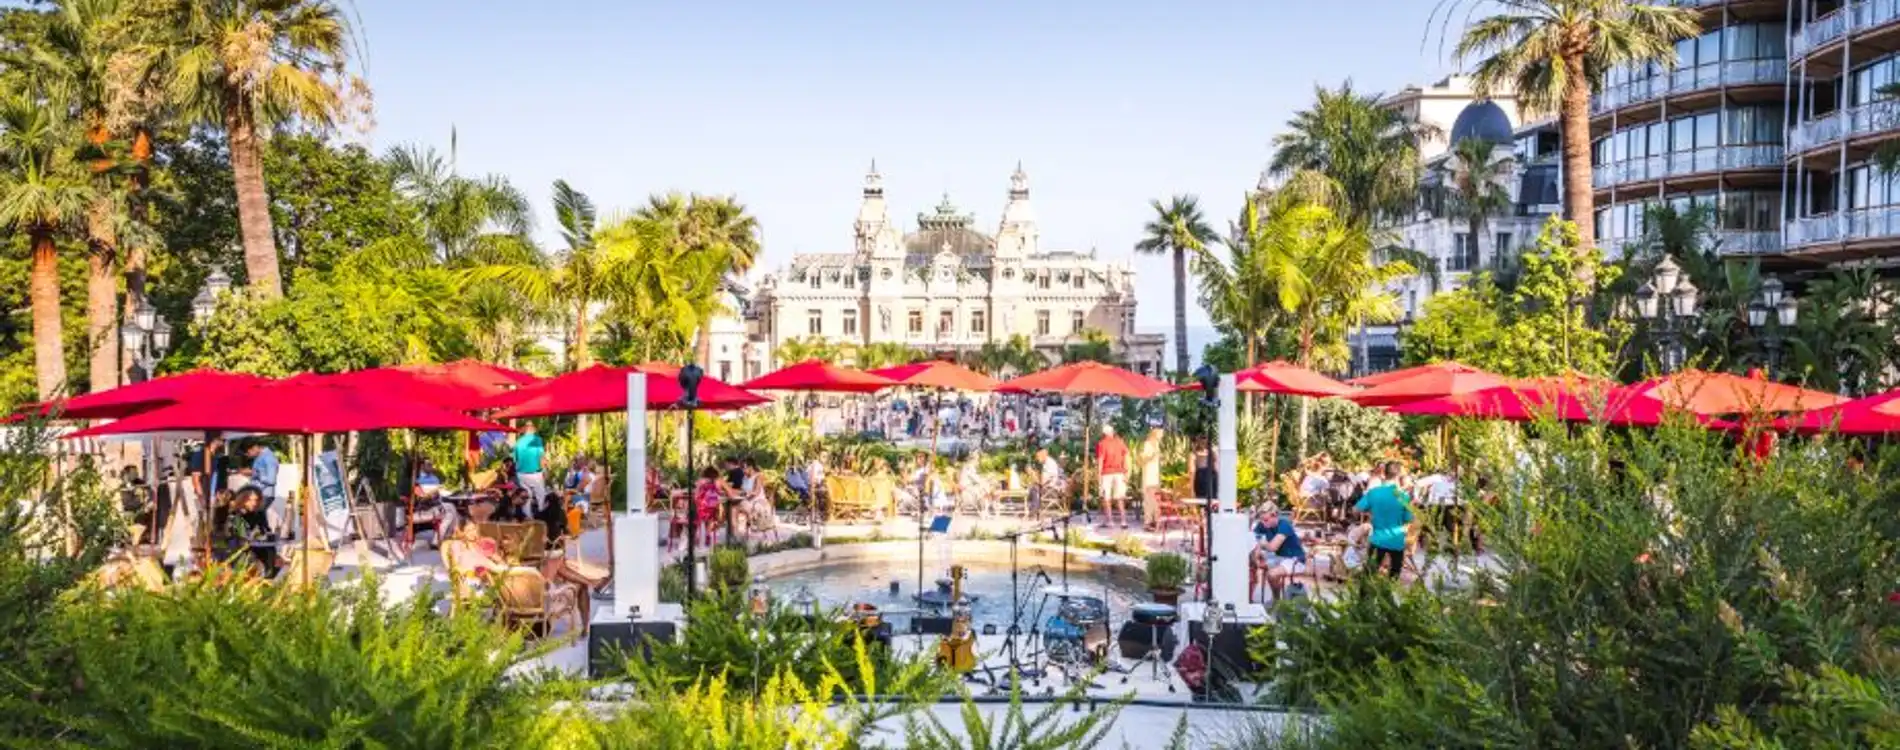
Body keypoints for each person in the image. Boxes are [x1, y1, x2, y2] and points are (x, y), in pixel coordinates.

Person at [1354, 461, 1413, 578]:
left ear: (1384, 474)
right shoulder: (1403, 496)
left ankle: (1365, 595)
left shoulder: (1374, 493)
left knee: (1369, 577)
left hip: (1377, 539)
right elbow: (1407, 519)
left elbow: (1355, 510)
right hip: (1396, 541)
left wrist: (1370, 512)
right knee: (1393, 579)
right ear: (1398, 476)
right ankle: (1387, 595)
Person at [1250, 502, 1307, 600]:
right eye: (1262, 520)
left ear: (1274, 516)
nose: (1263, 523)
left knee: (1272, 575)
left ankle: (1276, 600)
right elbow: (1252, 539)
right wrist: (1256, 553)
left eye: (1266, 520)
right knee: (1250, 563)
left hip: (1295, 559)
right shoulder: (1263, 524)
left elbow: (1273, 547)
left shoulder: (1284, 524)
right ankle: (1249, 597)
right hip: (1279, 558)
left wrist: (1261, 544)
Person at [238, 441, 281, 535]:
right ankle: (266, 537)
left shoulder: (268, 458)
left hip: (264, 494)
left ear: (253, 448)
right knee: (259, 520)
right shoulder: (260, 457)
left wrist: (254, 473)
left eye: (248, 453)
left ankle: (263, 536)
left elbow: (271, 479)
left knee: (250, 515)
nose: (248, 456)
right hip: (258, 493)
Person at [1095, 424, 1130, 529]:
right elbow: (1127, 455)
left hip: (1107, 473)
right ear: (1112, 432)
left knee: (1107, 498)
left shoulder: (1101, 444)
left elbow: (1100, 460)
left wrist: (1099, 476)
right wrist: (1126, 471)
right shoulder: (1120, 442)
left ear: (1104, 433)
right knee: (1120, 498)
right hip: (1119, 472)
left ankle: (1110, 521)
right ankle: (1123, 521)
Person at [512, 423, 548, 514]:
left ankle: (527, 518)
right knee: (541, 495)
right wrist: (545, 470)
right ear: (533, 430)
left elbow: (515, 459)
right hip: (534, 474)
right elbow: (541, 457)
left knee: (526, 496)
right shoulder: (536, 440)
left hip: (521, 474)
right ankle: (541, 517)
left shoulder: (518, 441)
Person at [1139, 427, 1163, 527]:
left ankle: (1154, 520)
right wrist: (1153, 455)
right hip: (1149, 476)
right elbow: (1143, 459)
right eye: (1161, 434)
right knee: (1149, 499)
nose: (1162, 436)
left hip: (1155, 476)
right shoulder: (1147, 444)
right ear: (1155, 434)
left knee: (1155, 499)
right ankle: (1147, 522)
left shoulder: (1157, 445)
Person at [1031, 447, 1064, 516]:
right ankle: (1034, 510)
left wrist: (1033, 475)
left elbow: (1043, 482)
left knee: (1034, 488)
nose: (1037, 459)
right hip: (1049, 487)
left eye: (1038, 456)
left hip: (1051, 489)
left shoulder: (1049, 464)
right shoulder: (1047, 463)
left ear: (1044, 455)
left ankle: (1034, 511)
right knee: (1033, 487)